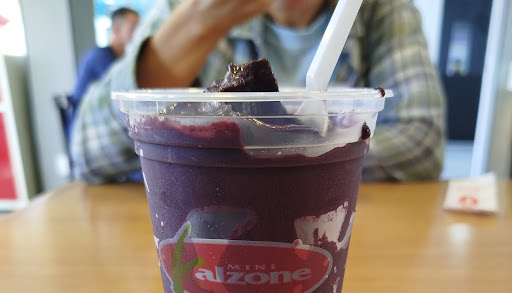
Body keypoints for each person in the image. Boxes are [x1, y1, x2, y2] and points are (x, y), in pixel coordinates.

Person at [71, 0, 446, 184]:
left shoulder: (379, 8)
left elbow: (422, 141)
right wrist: (197, 23)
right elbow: (88, 153)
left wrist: (293, 152)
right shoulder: (184, 7)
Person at [70, 7, 139, 114]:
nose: (139, 34)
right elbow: (123, 89)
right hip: (86, 120)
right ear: (116, 30)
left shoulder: (119, 58)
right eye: (134, 28)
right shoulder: (101, 57)